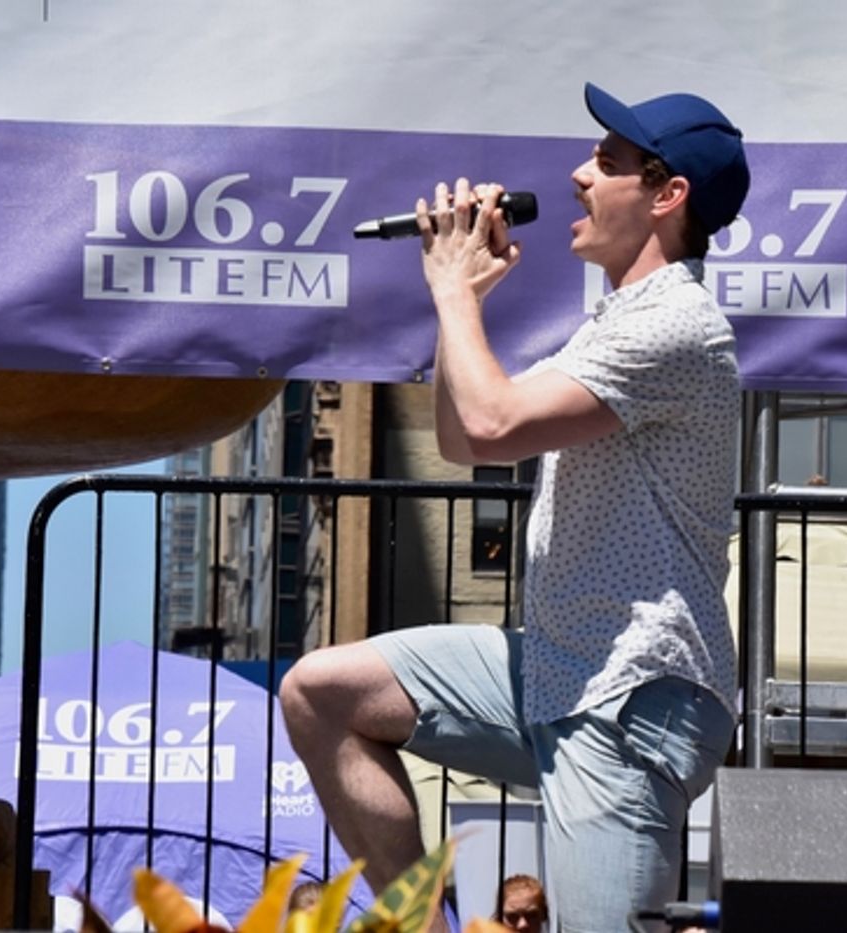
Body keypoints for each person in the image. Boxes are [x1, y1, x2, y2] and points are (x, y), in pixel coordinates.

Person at [280, 81, 749, 933]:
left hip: (631, 695)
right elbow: (466, 440)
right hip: (560, 668)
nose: (578, 174)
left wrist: (456, 293)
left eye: (607, 162)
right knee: (323, 693)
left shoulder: (679, 321)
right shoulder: (620, 319)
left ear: (667, 195)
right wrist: (464, 298)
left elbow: (492, 423)